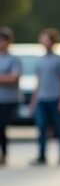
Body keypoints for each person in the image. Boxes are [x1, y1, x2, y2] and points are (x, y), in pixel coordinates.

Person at [30, 28, 60, 165]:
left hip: (56, 98)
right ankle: (42, 155)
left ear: (52, 41)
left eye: (45, 38)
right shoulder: (40, 60)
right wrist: (33, 101)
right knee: (41, 127)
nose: (42, 41)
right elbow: (38, 82)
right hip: (42, 99)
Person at [0, 26, 22, 166]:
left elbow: (14, 78)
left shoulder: (13, 59)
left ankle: (4, 153)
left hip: (9, 99)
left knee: (1, 126)